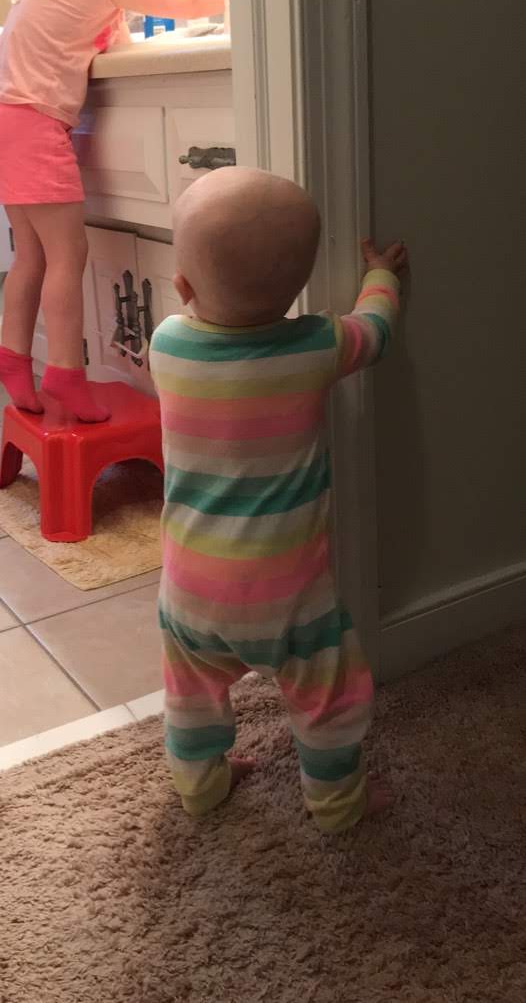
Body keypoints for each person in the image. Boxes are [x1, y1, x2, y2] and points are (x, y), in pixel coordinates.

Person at [149, 167, 408, 833]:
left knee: (191, 697)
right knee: (329, 697)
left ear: (183, 288)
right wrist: (382, 276)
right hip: (288, 596)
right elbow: (374, 331)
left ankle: (200, 786)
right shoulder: (314, 346)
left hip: (190, 590)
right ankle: (336, 804)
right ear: (299, 288)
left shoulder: (168, 345)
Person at [0, 0, 225, 422]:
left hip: (0, 123)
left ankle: (11, 354)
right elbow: (184, 2)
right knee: (69, 257)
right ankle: (65, 372)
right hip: (34, 125)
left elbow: (90, 34)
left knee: (32, 254)